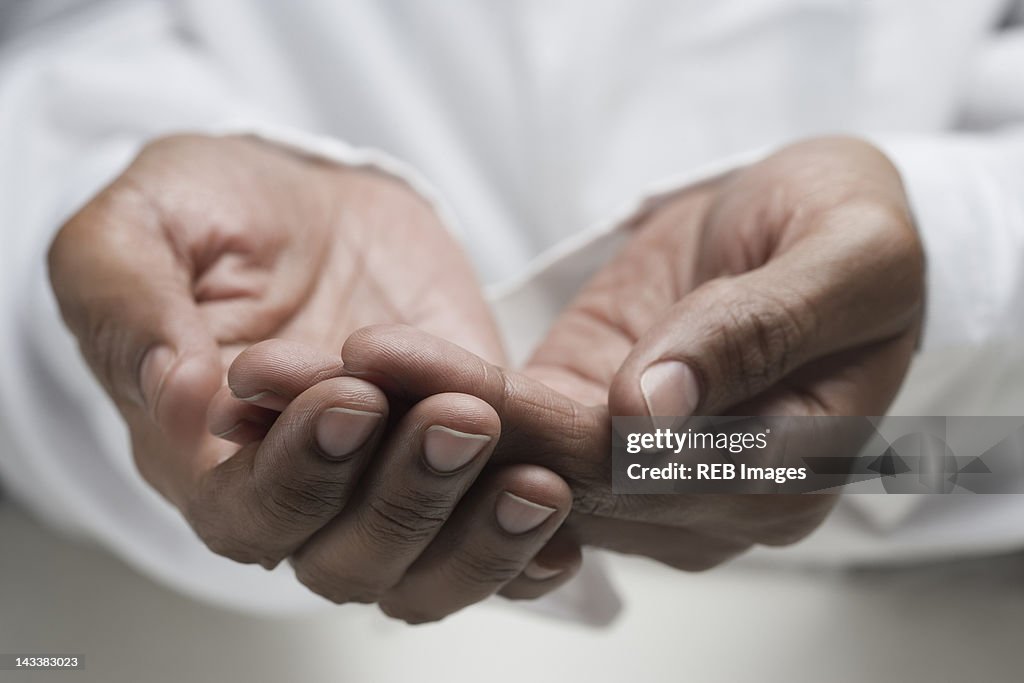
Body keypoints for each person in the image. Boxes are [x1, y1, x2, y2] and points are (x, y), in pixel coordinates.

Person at [1, 0, 1023, 623]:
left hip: (923, 628)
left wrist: (943, 268)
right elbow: (57, 44)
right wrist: (93, 249)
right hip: (152, 627)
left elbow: (992, 446)